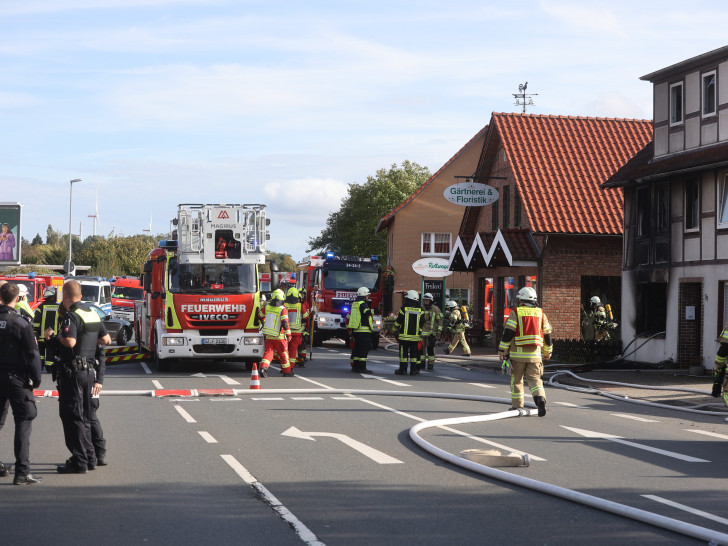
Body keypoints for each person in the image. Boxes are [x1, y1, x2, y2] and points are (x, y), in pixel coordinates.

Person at [45, 279, 111, 473]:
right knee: (85, 416)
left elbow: (70, 341)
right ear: (81, 296)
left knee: (72, 417)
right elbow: (106, 339)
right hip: (89, 371)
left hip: (73, 374)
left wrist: (53, 336)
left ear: (64, 296)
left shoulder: (71, 316)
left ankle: (79, 461)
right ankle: (90, 458)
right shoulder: (91, 313)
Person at [0, 282, 43, 484]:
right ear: (17, 299)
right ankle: (22, 472)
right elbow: (33, 354)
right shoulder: (20, 322)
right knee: (24, 421)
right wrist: (37, 378)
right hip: (16, 379)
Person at [498, 286, 552, 417]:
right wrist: (547, 352)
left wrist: (502, 350)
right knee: (535, 380)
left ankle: (517, 407)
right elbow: (547, 335)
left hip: (518, 356)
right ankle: (540, 398)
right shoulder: (541, 313)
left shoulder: (516, 312)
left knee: (516, 381)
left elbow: (508, 333)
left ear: (521, 299)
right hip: (535, 356)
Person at [257, 289, 294, 377]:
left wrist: (264, 321)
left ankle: (263, 368)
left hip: (269, 336)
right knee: (283, 353)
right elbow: (285, 323)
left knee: (268, 352)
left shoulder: (267, 307)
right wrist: (288, 335)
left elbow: (260, 316)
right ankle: (287, 371)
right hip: (280, 336)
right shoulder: (283, 309)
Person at [393, 290, 424, 375]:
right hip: (415, 337)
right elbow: (422, 322)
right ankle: (413, 370)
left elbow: (398, 321)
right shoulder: (420, 310)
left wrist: (394, 329)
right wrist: (419, 331)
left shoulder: (404, 308)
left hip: (404, 337)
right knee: (414, 354)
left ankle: (403, 370)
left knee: (403, 354)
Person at [346, 287, 374, 373]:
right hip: (363, 330)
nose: (368, 297)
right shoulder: (362, 304)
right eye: (367, 295)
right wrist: (375, 310)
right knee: (363, 349)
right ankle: (362, 368)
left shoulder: (355, 303)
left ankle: (356, 367)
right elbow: (366, 313)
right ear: (364, 295)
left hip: (356, 330)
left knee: (357, 349)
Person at [33, 287, 60, 371]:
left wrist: (35, 333)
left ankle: (40, 367)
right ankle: (49, 367)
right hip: (53, 336)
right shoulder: (58, 307)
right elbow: (62, 322)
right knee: (50, 351)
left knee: (41, 353)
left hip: (41, 336)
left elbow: (36, 322)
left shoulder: (40, 307)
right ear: (54, 295)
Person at [283, 287, 307, 370]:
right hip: (296, 332)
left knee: (285, 350)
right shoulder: (300, 305)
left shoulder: (284, 306)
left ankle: (284, 367)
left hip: (286, 332)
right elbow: (306, 317)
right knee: (293, 350)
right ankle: (291, 367)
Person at [420, 293, 443, 371]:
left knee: (431, 350)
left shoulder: (436, 309)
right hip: (422, 333)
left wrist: (439, 331)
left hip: (431, 334)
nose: (426, 301)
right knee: (421, 349)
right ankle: (422, 363)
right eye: (425, 300)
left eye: (427, 300)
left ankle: (430, 364)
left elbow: (440, 321)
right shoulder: (421, 308)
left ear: (431, 300)